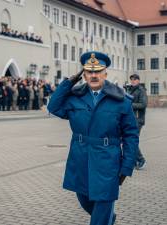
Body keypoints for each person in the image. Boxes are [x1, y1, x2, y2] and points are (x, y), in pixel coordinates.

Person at [47, 51, 139, 225]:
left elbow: (131, 135)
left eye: (98, 71)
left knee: (102, 207)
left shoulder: (121, 100)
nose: (94, 75)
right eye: (89, 72)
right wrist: (69, 83)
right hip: (80, 159)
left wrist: (126, 166)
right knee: (85, 200)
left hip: (107, 161)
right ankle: (108, 219)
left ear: (105, 73)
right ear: (84, 74)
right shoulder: (75, 97)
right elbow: (53, 107)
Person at [127, 74, 148, 170]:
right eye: (131, 80)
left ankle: (141, 161)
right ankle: (136, 161)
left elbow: (143, 104)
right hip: (131, 119)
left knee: (132, 141)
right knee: (130, 140)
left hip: (138, 119)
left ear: (138, 80)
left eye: (135, 79)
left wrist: (130, 104)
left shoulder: (141, 90)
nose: (133, 81)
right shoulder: (131, 89)